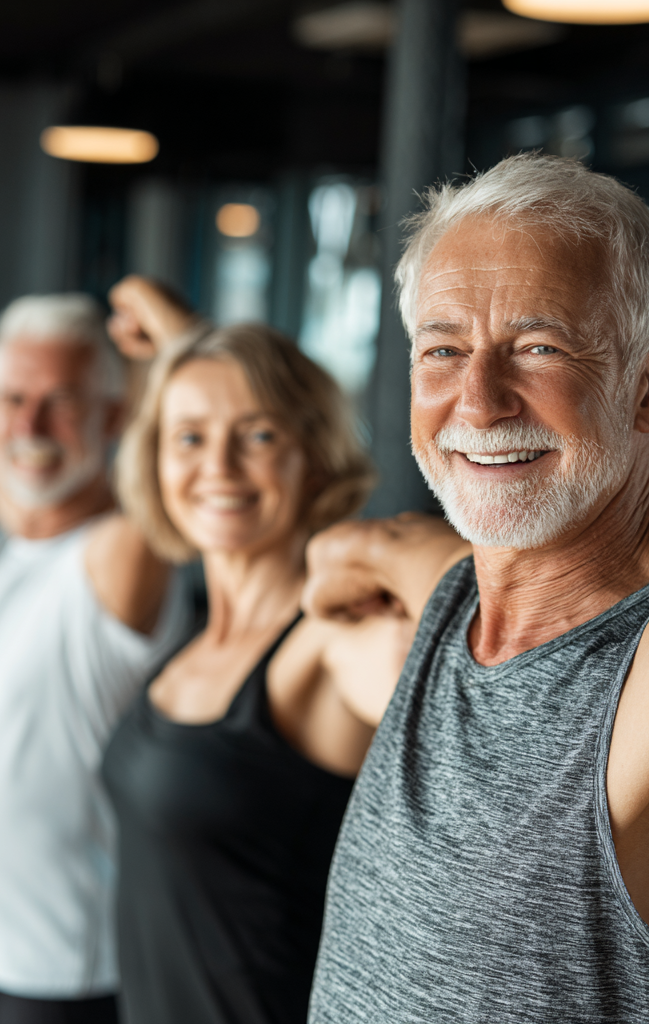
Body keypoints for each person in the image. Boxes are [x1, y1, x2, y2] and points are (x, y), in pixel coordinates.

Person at [297, 153, 649, 1022]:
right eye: (444, 349)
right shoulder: (455, 592)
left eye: (539, 347)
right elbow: (369, 547)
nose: (479, 401)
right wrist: (326, 572)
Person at [101, 312, 468, 1024]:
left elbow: (484, 612)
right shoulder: (198, 641)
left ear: (317, 455)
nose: (217, 466)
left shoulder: (332, 644)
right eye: (189, 438)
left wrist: (374, 549)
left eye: (260, 435)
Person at [0, 293, 192, 1024]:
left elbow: (175, 451)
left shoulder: (114, 558)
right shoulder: (9, 548)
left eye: (58, 403)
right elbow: (10, 450)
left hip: (59, 967)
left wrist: (177, 350)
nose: (28, 425)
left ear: (113, 419)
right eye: (11, 400)